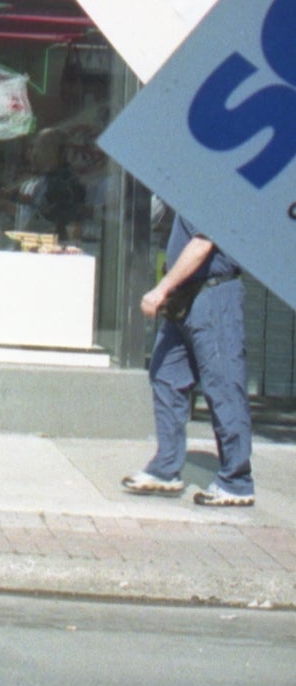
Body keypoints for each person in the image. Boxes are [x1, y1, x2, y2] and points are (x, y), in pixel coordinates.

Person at [122, 209, 255, 508]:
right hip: (187, 298)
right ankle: (166, 468)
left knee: (223, 386)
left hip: (213, 294)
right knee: (165, 373)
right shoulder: (191, 190)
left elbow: (202, 244)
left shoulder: (212, 188)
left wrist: (161, 289)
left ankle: (237, 481)